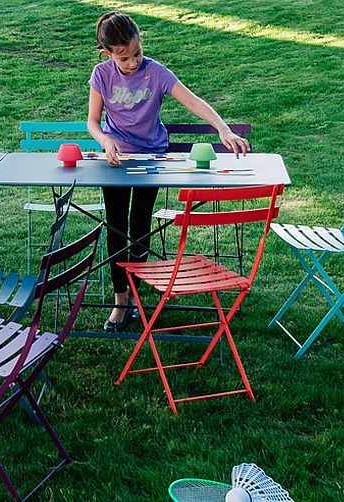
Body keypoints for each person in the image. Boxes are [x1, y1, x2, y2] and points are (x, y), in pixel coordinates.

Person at [87, 11, 251, 331]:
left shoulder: (157, 73)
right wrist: (105, 140)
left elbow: (194, 102)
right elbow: (93, 121)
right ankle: (121, 301)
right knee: (116, 225)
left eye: (137, 53)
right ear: (107, 54)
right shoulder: (101, 75)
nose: (132, 62)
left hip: (151, 158)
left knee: (140, 225)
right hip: (116, 159)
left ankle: (135, 291)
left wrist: (223, 129)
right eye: (123, 58)